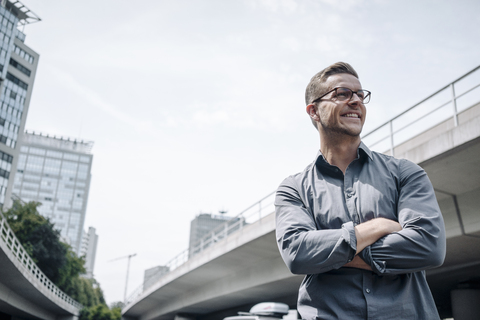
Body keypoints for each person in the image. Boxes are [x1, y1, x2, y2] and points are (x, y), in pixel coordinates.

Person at [275, 62, 446, 320]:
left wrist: (331, 252)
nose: (356, 101)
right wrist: (376, 227)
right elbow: (298, 254)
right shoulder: (293, 189)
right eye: (342, 93)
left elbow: (429, 246)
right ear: (314, 111)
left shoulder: (405, 173)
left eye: (360, 94)